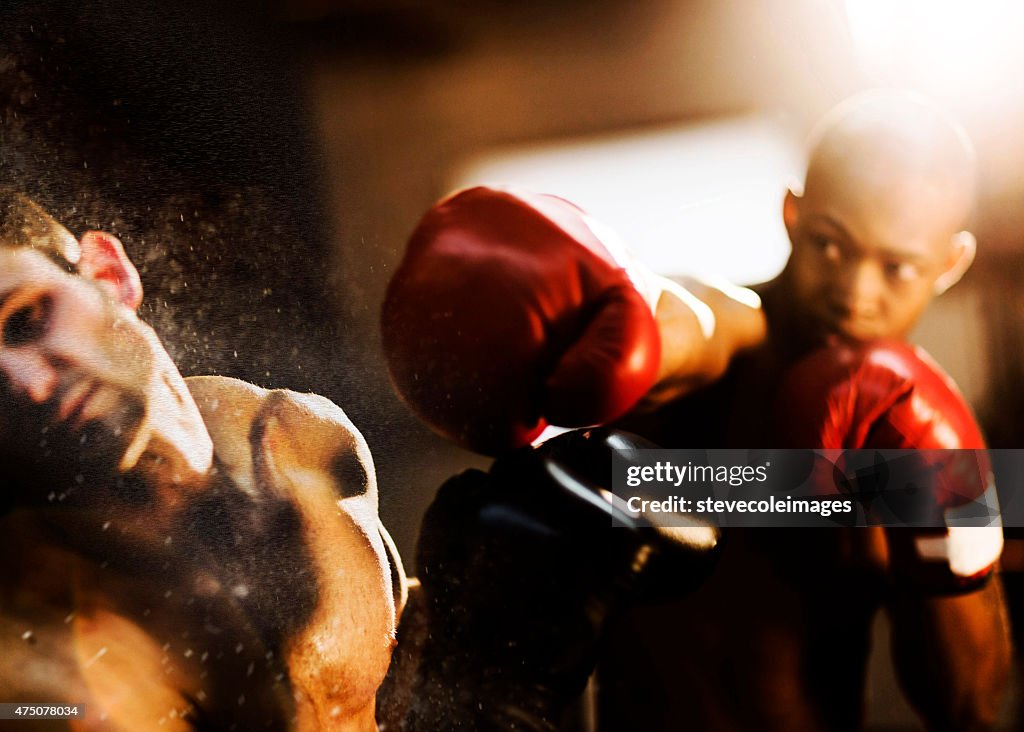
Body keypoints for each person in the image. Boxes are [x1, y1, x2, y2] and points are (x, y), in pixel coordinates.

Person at [380, 90, 1011, 730]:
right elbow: (693, 324)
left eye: (897, 267)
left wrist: (952, 504)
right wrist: (609, 321)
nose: (853, 291)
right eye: (830, 245)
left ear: (951, 262)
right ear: (793, 213)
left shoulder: (927, 430)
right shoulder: (739, 334)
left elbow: (968, 704)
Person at [0, 190, 404, 730]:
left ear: (108, 273)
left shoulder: (294, 438)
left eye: (26, 319)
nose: (33, 385)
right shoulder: (36, 590)